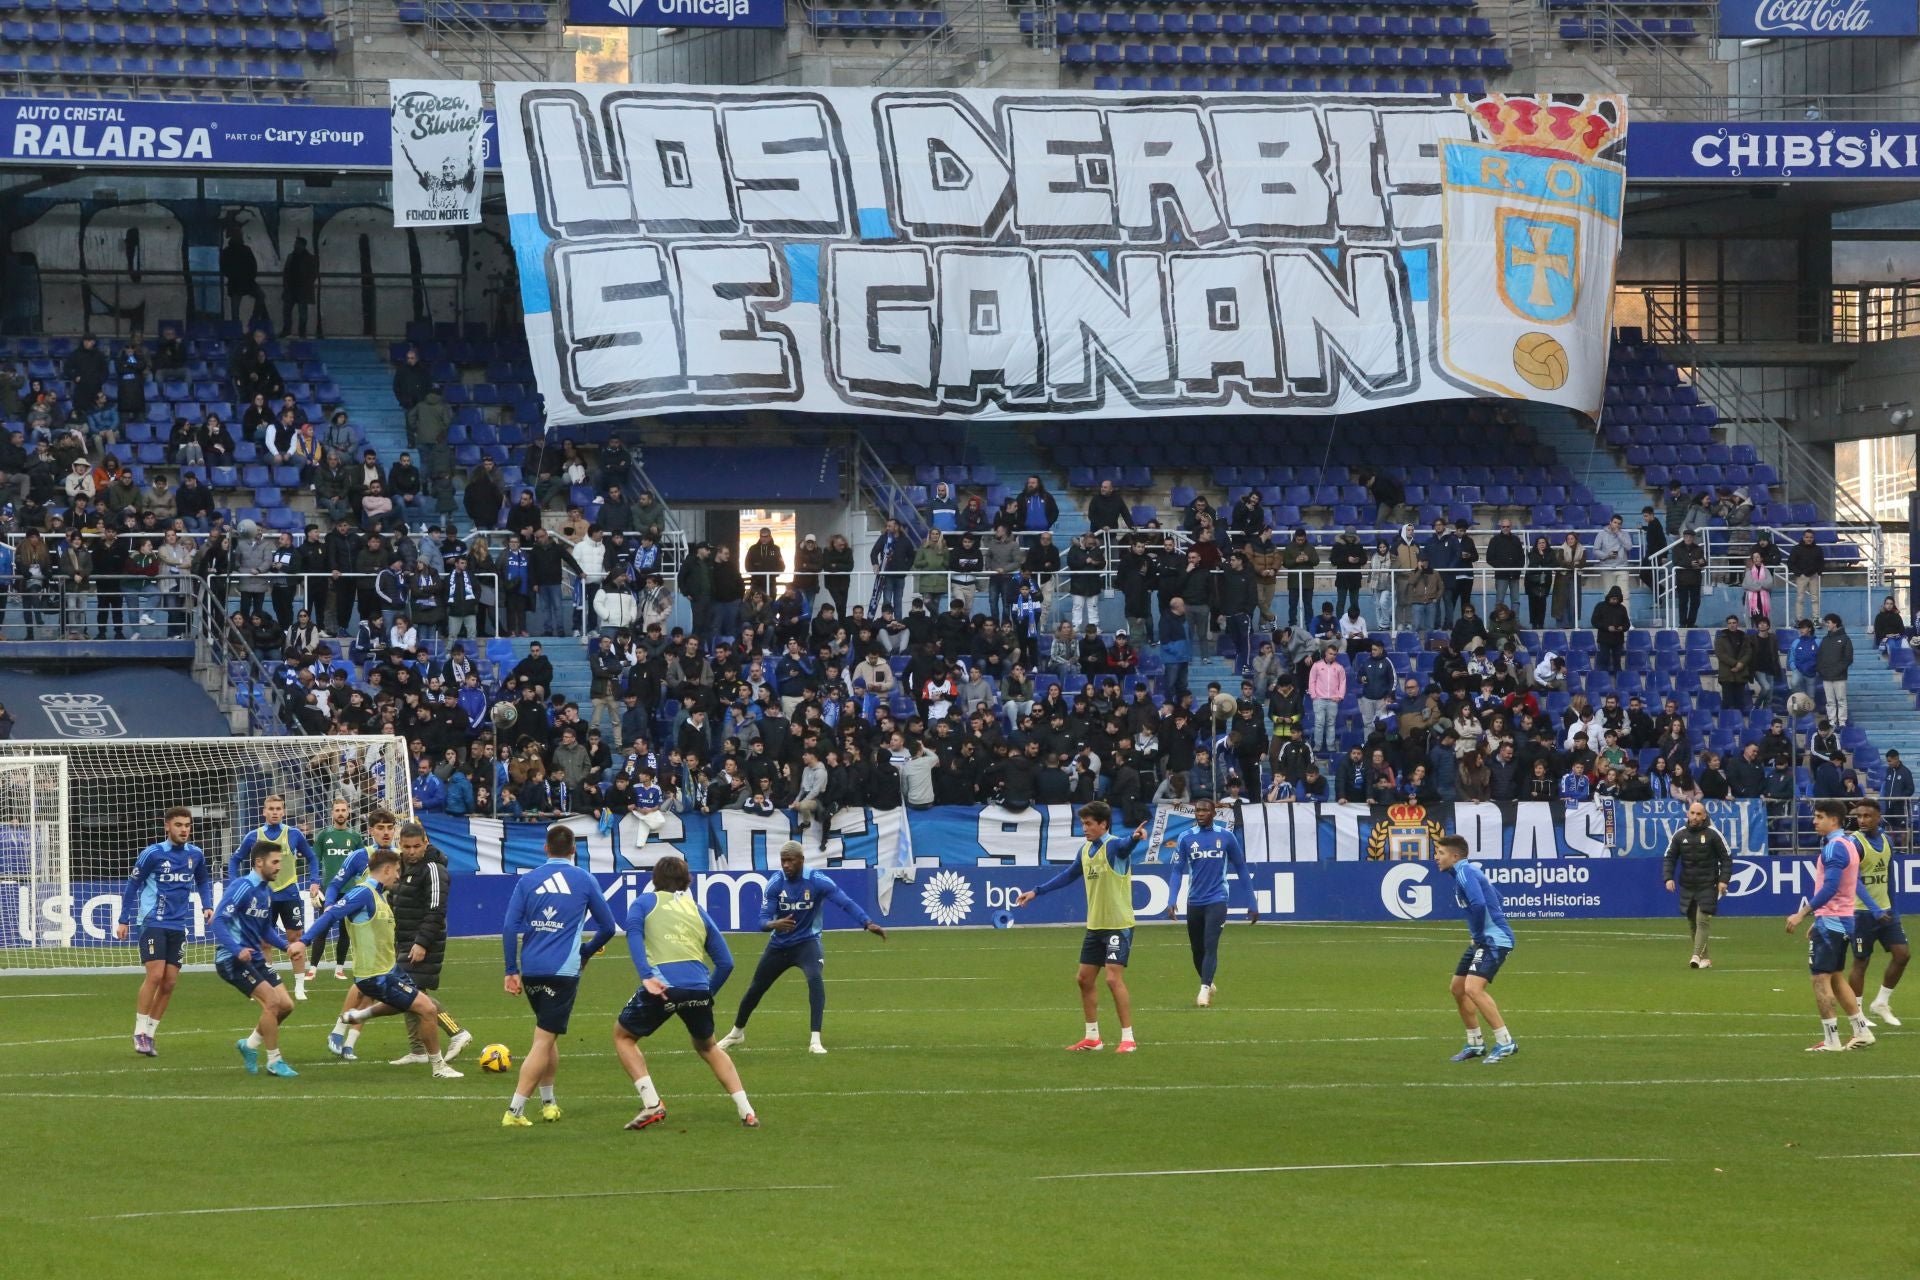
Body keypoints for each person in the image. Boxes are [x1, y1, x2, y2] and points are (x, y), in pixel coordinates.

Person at [615, 855, 759, 1130]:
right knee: (708, 1047)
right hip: (698, 988)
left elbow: (632, 933)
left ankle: (652, 1104)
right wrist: (706, 993)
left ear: (654, 879)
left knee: (623, 1036)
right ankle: (747, 1111)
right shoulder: (697, 909)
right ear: (686, 881)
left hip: (663, 987)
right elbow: (726, 962)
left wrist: (646, 975)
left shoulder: (644, 903)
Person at [300, 847, 464, 1078]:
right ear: (386, 869)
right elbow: (331, 915)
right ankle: (439, 1067)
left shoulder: (379, 895)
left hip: (390, 970)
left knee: (409, 1004)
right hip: (375, 976)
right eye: (396, 870)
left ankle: (359, 1015)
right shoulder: (363, 893)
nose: (399, 875)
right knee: (426, 1008)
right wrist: (303, 941)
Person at [716, 840, 887, 1055]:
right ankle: (736, 1033)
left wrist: (867, 922)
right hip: (779, 945)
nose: (786, 865)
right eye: (783, 861)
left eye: (790, 860)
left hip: (807, 943)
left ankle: (815, 1040)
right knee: (756, 988)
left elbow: (844, 901)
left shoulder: (816, 881)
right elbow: (761, 921)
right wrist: (773, 924)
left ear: (801, 860)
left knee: (815, 979)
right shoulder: (776, 884)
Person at [499, 824, 619, 1126]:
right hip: (563, 970)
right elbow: (607, 927)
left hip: (532, 969)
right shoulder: (584, 879)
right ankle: (514, 1110)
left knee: (547, 1035)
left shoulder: (527, 881)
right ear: (574, 849)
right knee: (542, 1041)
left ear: (545, 848)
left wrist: (510, 970)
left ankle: (549, 1102)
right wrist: (586, 953)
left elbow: (510, 927)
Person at [1013, 800, 1141, 1053]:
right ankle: (1093, 1037)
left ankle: (1128, 1038)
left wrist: (1135, 838)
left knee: (1113, 979)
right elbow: (1069, 875)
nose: (1084, 828)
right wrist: (1036, 892)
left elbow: (1126, 847)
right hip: (1095, 926)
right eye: (1083, 823)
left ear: (1103, 824)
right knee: (1083, 979)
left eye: (1089, 823)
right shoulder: (1085, 851)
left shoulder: (1113, 845)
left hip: (1118, 925)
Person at [114, 807, 213, 1057]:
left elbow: (202, 880)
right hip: (152, 922)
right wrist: (123, 919)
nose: (184, 830)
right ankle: (138, 1032)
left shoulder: (196, 855)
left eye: (187, 825)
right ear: (167, 826)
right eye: (179, 825)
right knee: (156, 975)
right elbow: (133, 884)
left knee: (169, 982)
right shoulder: (153, 854)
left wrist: (208, 905)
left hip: (178, 925)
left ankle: (150, 1034)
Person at [1785, 799, 1882, 1052]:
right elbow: (1851, 885)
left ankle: (1831, 1040)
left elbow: (1831, 887)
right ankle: (1862, 1031)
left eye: (1819, 817)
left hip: (1833, 921)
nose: (1814, 821)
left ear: (1833, 820)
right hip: (1840, 920)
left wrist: (1803, 913)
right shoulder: (1849, 844)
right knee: (1836, 977)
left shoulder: (1833, 848)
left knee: (1820, 979)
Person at [210, 841, 307, 1078]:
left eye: (280, 863)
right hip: (232, 959)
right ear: (259, 862)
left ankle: (250, 1044)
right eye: (275, 862)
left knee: (286, 1005)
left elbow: (265, 930)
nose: (278, 868)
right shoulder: (242, 887)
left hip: (254, 957)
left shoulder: (266, 892)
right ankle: (274, 1061)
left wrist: (286, 946)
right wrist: (235, 949)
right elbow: (218, 921)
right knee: (272, 1002)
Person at [1156, 797, 1257, 1007]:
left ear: (1213, 813)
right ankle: (1208, 982)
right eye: (1197, 811)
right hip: (1194, 900)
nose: (1200, 814)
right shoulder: (1185, 837)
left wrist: (1252, 901)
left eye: (1204, 811)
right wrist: (1172, 899)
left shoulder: (1226, 837)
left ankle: (1203, 990)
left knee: (1211, 944)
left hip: (1218, 898)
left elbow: (1241, 868)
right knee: (1197, 949)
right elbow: (1177, 870)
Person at [386, 821, 473, 1066]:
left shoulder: (433, 869)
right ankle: (418, 1051)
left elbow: (436, 911)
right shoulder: (400, 866)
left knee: (410, 992)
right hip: (403, 938)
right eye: (406, 847)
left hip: (424, 941)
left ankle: (457, 1032)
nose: (411, 851)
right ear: (400, 846)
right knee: (411, 994)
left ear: (425, 843)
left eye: (416, 846)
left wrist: (422, 942)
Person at [224, 795, 318, 1001]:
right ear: (264, 812)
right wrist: (233, 882)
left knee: (296, 938)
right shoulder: (253, 836)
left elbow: (311, 857)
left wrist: (314, 880)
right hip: (262, 896)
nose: (275, 812)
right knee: (263, 942)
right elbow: (234, 860)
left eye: (278, 808)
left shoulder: (293, 834)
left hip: (289, 893)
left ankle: (300, 986)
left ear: (283, 812)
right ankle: (265, 984)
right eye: (271, 809)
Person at [1435, 835, 1518, 1063]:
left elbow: (1480, 904)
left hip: (1494, 940)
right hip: (1484, 939)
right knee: (1458, 988)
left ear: (1455, 856)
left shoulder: (1465, 872)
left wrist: (1481, 934)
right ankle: (1475, 1043)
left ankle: (1505, 1042)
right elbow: (1495, 896)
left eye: (1440, 853)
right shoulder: (1464, 873)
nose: (1436, 858)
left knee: (1473, 988)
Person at [1847, 798, 1907, 1028]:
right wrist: (1873, 908)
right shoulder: (1854, 843)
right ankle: (1857, 1012)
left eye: (1867, 816)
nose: (1861, 820)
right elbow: (1853, 880)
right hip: (1861, 913)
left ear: (1878, 817)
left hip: (1887, 912)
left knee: (1902, 955)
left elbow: (1890, 877)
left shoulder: (1886, 841)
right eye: (1859, 816)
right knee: (1861, 961)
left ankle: (1881, 1002)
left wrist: (1893, 908)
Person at [1661, 801, 1731, 969]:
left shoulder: (1713, 834)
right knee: (1692, 922)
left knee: (1702, 920)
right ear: (1687, 814)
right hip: (1688, 885)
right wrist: (1668, 878)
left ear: (1704, 816)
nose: (1695, 817)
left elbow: (1726, 858)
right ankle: (1705, 958)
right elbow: (1669, 857)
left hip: (1708, 884)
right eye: (1692, 813)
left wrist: (1723, 880)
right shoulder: (1679, 835)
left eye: (1698, 814)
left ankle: (1695, 956)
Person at [307, 798, 363, 981]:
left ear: (348, 813)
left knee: (345, 930)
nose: (340, 813)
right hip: (328, 890)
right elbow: (314, 859)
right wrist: (314, 882)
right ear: (332, 813)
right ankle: (313, 968)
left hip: (349, 891)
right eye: (337, 810)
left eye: (343, 810)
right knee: (322, 929)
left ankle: (339, 968)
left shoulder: (355, 837)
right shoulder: (324, 836)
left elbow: (363, 862)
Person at [1817, 613, 1854, 725]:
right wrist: (1822, 670)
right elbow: (1820, 657)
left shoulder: (1845, 639)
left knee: (1841, 699)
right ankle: (1832, 721)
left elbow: (1848, 658)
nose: (1826, 625)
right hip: (1826, 676)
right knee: (1830, 701)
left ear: (1835, 623)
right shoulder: (1825, 640)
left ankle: (1842, 721)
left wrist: (1838, 670)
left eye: (1828, 622)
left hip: (1839, 676)